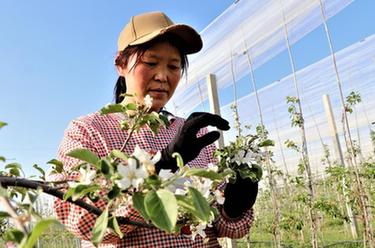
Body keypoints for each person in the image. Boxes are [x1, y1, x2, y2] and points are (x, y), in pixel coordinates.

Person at [53, 11, 258, 248]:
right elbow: (83, 222)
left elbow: (224, 227)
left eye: (174, 66)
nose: (163, 76)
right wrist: (159, 166)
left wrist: (233, 207)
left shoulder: (193, 135)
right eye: (150, 63)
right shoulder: (88, 131)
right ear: (120, 64)